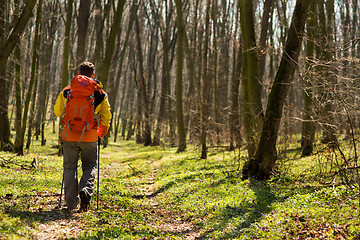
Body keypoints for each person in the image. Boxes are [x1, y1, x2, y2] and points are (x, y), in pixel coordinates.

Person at [54, 62, 111, 212]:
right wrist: (101, 133)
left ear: (79, 73)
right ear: (93, 75)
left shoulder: (67, 91)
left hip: (69, 134)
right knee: (90, 165)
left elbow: (58, 111)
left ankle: (71, 204)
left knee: (69, 168)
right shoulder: (100, 94)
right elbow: (106, 116)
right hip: (90, 136)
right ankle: (85, 190)